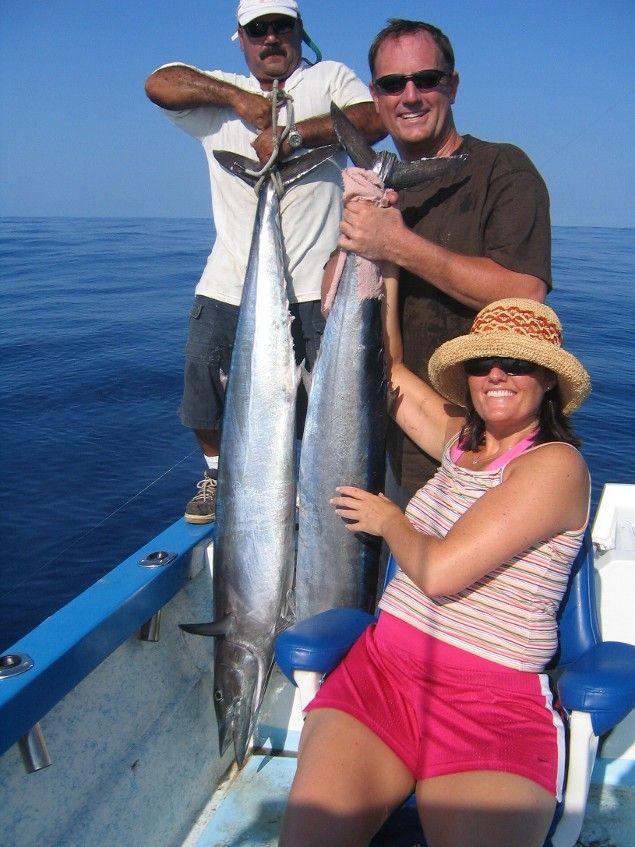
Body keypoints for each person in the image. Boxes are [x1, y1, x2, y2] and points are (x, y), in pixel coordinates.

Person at [279, 297, 592, 847]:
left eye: (517, 364)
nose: (497, 374)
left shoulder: (555, 466)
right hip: (382, 675)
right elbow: (388, 368)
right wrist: (385, 267)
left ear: (548, 380)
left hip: (490, 706)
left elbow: (441, 572)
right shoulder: (459, 445)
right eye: (482, 363)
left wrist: (388, 519)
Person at [145, 0, 385, 523]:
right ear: (242, 39)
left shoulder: (328, 79)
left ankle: (314, 482)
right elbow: (158, 82)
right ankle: (215, 473)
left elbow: (373, 119)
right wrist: (239, 101)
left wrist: (295, 135)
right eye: (259, 30)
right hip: (230, 282)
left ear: (300, 32)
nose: (271, 38)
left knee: (328, 398)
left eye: (282, 27)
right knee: (202, 382)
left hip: (318, 282)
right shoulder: (219, 93)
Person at [332, 19, 552, 506]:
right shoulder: (377, 193)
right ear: (376, 96)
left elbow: (525, 294)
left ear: (451, 85)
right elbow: (335, 309)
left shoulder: (502, 170)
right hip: (380, 435)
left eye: (425, 79)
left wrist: (397, 245)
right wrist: (357, 232)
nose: (409, 95)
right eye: (393, 84)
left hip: (482, 442)